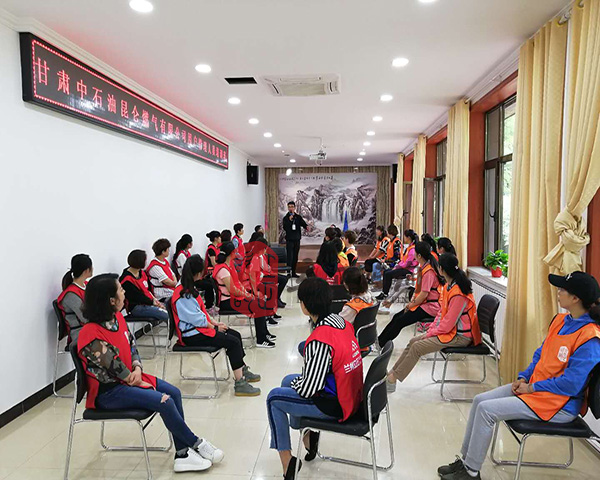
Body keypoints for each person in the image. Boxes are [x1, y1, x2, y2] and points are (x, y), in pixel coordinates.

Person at [437, 271, 600, 480]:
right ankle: (466, 460)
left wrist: (531, 388)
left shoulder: (590, 338)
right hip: (537, 391)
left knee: (487, 411)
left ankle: (471, 472)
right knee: (479, 401)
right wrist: (524, 378)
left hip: (559, 404)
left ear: (575, 298)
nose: (558, 292)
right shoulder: (561, 320)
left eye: (562, 289)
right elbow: (540, 355)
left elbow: (571, 385)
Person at [77, 274, 224, 473]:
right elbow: (115, 367)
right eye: (120, 290)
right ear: (111, 300)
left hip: (131, 379)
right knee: (165, 401)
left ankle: (182, 453)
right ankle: (196, 444)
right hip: (110, 392)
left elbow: (132, 345)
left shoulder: (117, 318)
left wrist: (137, 367)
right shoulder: (90, 334)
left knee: (174, 393)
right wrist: (134, 378)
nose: (124, 292)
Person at [266, 278, 364, 480]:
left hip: (336, 404)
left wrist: (299, 382)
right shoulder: (342, 322)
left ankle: (287, 461)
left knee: (273, 398)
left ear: (304, 306)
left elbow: (309, 389)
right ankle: (309, 436)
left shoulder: (319, 339)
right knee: (287, 381)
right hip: (351, 392)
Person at [386, 253, 480, 393]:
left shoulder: (458, 293)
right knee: (413, 341)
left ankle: (392, 380)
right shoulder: (449, 287)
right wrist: (431, 330)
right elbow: (441, 313)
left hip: (460, 337)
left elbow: (448, 323)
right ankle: (392, 373)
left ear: (441, 269)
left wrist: (430, 333)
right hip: (450, 332)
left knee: (417, 347)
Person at [172, 254, 261, 397]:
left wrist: (214, 322)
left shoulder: (187, 287)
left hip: (199, 329)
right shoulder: (183, 294)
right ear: (198, 273)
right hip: (192, 335)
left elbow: (200, 313)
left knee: (235, 335)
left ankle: (242, 368)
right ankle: (239, 383)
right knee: (232, 342)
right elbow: (195, 319)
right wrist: (214, 327)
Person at [378, 242, 443, 344]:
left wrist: (410, 305)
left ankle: (380, 344)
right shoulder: (423, 268)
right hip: (422, 304)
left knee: (399, 321)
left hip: (430, 307)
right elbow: (418, 290)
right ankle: (379, 341)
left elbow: (424, 294)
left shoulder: (429, 272)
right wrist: (410, 304)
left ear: (419, 255)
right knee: (396, 317)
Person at [213, 242, 275, 348]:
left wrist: (246, 293)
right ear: (232, 253)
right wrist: (247, 295)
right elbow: (233, 290)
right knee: (258, 305)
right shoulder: (223, 270)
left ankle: (264, 333)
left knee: (260, 302)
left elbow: (237, 284)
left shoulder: (229, 265)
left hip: (234, 298)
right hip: (227, 302)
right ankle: (261, 340)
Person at [120, 249, 168, 322]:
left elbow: (148, 290)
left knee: (170, 308)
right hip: (136, 307)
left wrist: (155, 300)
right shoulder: (126, 280)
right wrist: (153, 303)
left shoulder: (142, 273)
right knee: (165, 314)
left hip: (149, 302)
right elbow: (137, 297)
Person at [57, 254, 93, 344]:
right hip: (80, 335)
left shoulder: (87, 285)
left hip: (91, 330)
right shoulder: (71, 295)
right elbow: (85, 318)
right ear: (86, 270)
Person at [246, 237, 289, 314]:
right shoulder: (255, 258)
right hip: (256, 283)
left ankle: (271, 311)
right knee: (272, 290)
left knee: (273, 289)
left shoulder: (259, 256)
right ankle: (269, 312)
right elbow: (252, 277)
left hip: (259, 280)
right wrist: (255, 291)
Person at [376, 229, 419, 300]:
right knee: (386, 272)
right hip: (403, 267)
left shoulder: (412, 249)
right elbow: (403, 260)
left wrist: (397, 267)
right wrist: (397, 266)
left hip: (408, 270)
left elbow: (407, 263)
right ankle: (384, 292)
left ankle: (385, 293)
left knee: (388, 274)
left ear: (408, 237)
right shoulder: (409, 247)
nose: (404, 238)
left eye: (404, 236)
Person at [282, 201, 309, 278]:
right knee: (289, 257)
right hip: (289, 240)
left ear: (294, 208)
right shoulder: (285, 218)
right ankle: (288, 273)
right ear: (288, 208)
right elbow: (285, 228)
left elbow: (303, 224)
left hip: (297, 239)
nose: (291, 208)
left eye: (292, 207)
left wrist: (306, 227)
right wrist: (290, 220)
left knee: (295, 257)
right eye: (289, 207)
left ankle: (293, 272)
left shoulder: (298, 217)